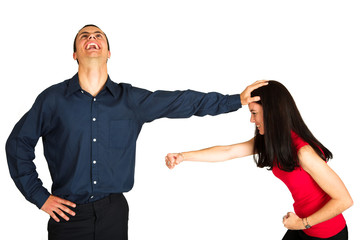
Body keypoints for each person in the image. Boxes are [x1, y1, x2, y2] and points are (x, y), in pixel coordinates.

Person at [5, 24, 267, 240]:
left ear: (109, 52)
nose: (92, 38)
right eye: (84, 36)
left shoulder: (129, 100)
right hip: (67, 215)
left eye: (98, 36)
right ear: (75, 54)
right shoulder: (52, 100)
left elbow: (182, 101)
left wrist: (236, 100)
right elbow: (18, 143)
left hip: (113, 214)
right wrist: (40, 197)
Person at [165, 81, 353, 240]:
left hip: (327, 232)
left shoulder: (303, 152)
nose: (251, 120)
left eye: (254, 113)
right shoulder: (273, 143)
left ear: (271, 112)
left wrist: (302, 223)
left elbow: (344, 200)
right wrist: (183, 156)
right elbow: (229, 151)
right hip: (303, 225)